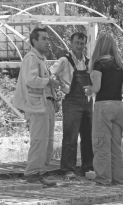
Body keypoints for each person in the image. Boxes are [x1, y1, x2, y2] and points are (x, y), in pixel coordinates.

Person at [13, 27, 60, 186]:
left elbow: (43, 82)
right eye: (44, 39)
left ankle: (40, 173)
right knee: (39, 140)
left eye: (48, 38)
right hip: (37, 106)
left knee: (47, 140)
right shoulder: (30, 58)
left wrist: (54, 98)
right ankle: (32, 173)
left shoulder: (41, 59)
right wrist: (49, 82)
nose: (48, 42)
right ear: (34, 41)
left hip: (46, 103)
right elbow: (31, 80)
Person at [50, 32, 94, 179]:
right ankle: (68, 169)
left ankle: (88, 167)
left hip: (87, 102)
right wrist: (61, 86)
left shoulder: (89, 61)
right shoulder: (64, 60)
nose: (80, 46)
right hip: (72, 102)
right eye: (77, 43)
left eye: (82, 43)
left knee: (88, 136)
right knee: (70, 137)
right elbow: (50, 74)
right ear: (71, 43)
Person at [84, 33, 123, 186]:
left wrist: (89, 89)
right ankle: (117, 178)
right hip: (118, 106)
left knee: (101, 143)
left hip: (103, 106)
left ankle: (103, 179)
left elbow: (97, 87)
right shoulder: (119, 64)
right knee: (115, 144)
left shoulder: (99, 63)